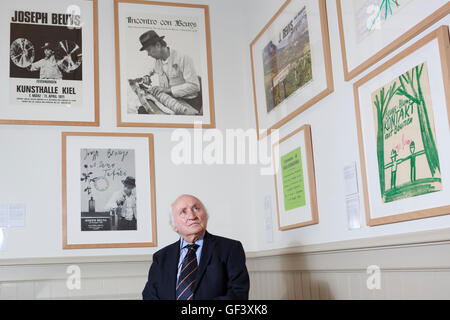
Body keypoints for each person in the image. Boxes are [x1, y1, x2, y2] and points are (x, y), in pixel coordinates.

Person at [142, 194, 249, 300]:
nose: (192, 216)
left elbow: (238, 294)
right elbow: (149, 295)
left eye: (196, 209)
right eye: (183, 212)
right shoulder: (161, 257)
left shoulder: (230, 248)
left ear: (206, 216)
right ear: (174, 225)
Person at [138, 30, 203, 113]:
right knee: (143, 110)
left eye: (149, 50)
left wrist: (167, 90)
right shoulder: (158, 61)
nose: (148, 54)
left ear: (158, 45)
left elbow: (195, 86)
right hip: (171, 100)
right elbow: (151, 71)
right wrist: (147, 77)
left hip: (189, 102)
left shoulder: (183, 58)